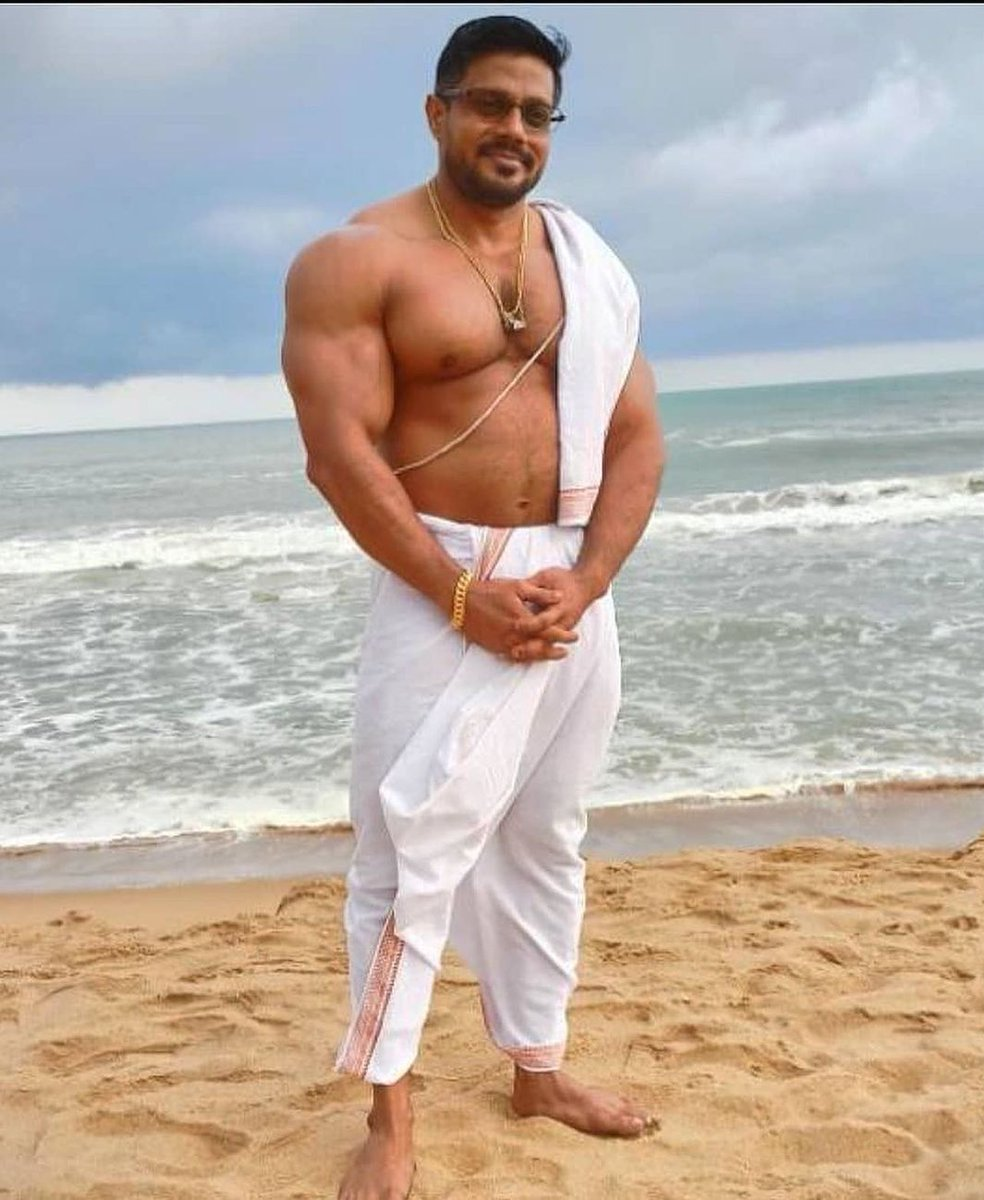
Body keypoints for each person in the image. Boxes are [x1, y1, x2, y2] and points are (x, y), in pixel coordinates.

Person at [282, 15, 666, 1199]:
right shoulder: (356, 260)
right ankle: (389, 1118)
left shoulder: (584, 260)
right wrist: (459, 593)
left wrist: (585, 579)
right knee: (407, 849)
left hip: (567, 578)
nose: (514, 129)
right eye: (490, 103)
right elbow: (339, 456)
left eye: (535, 112)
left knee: (546, 834)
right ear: (437, 109)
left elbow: (637, 436)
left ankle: (535, 1067)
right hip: (439, 574)